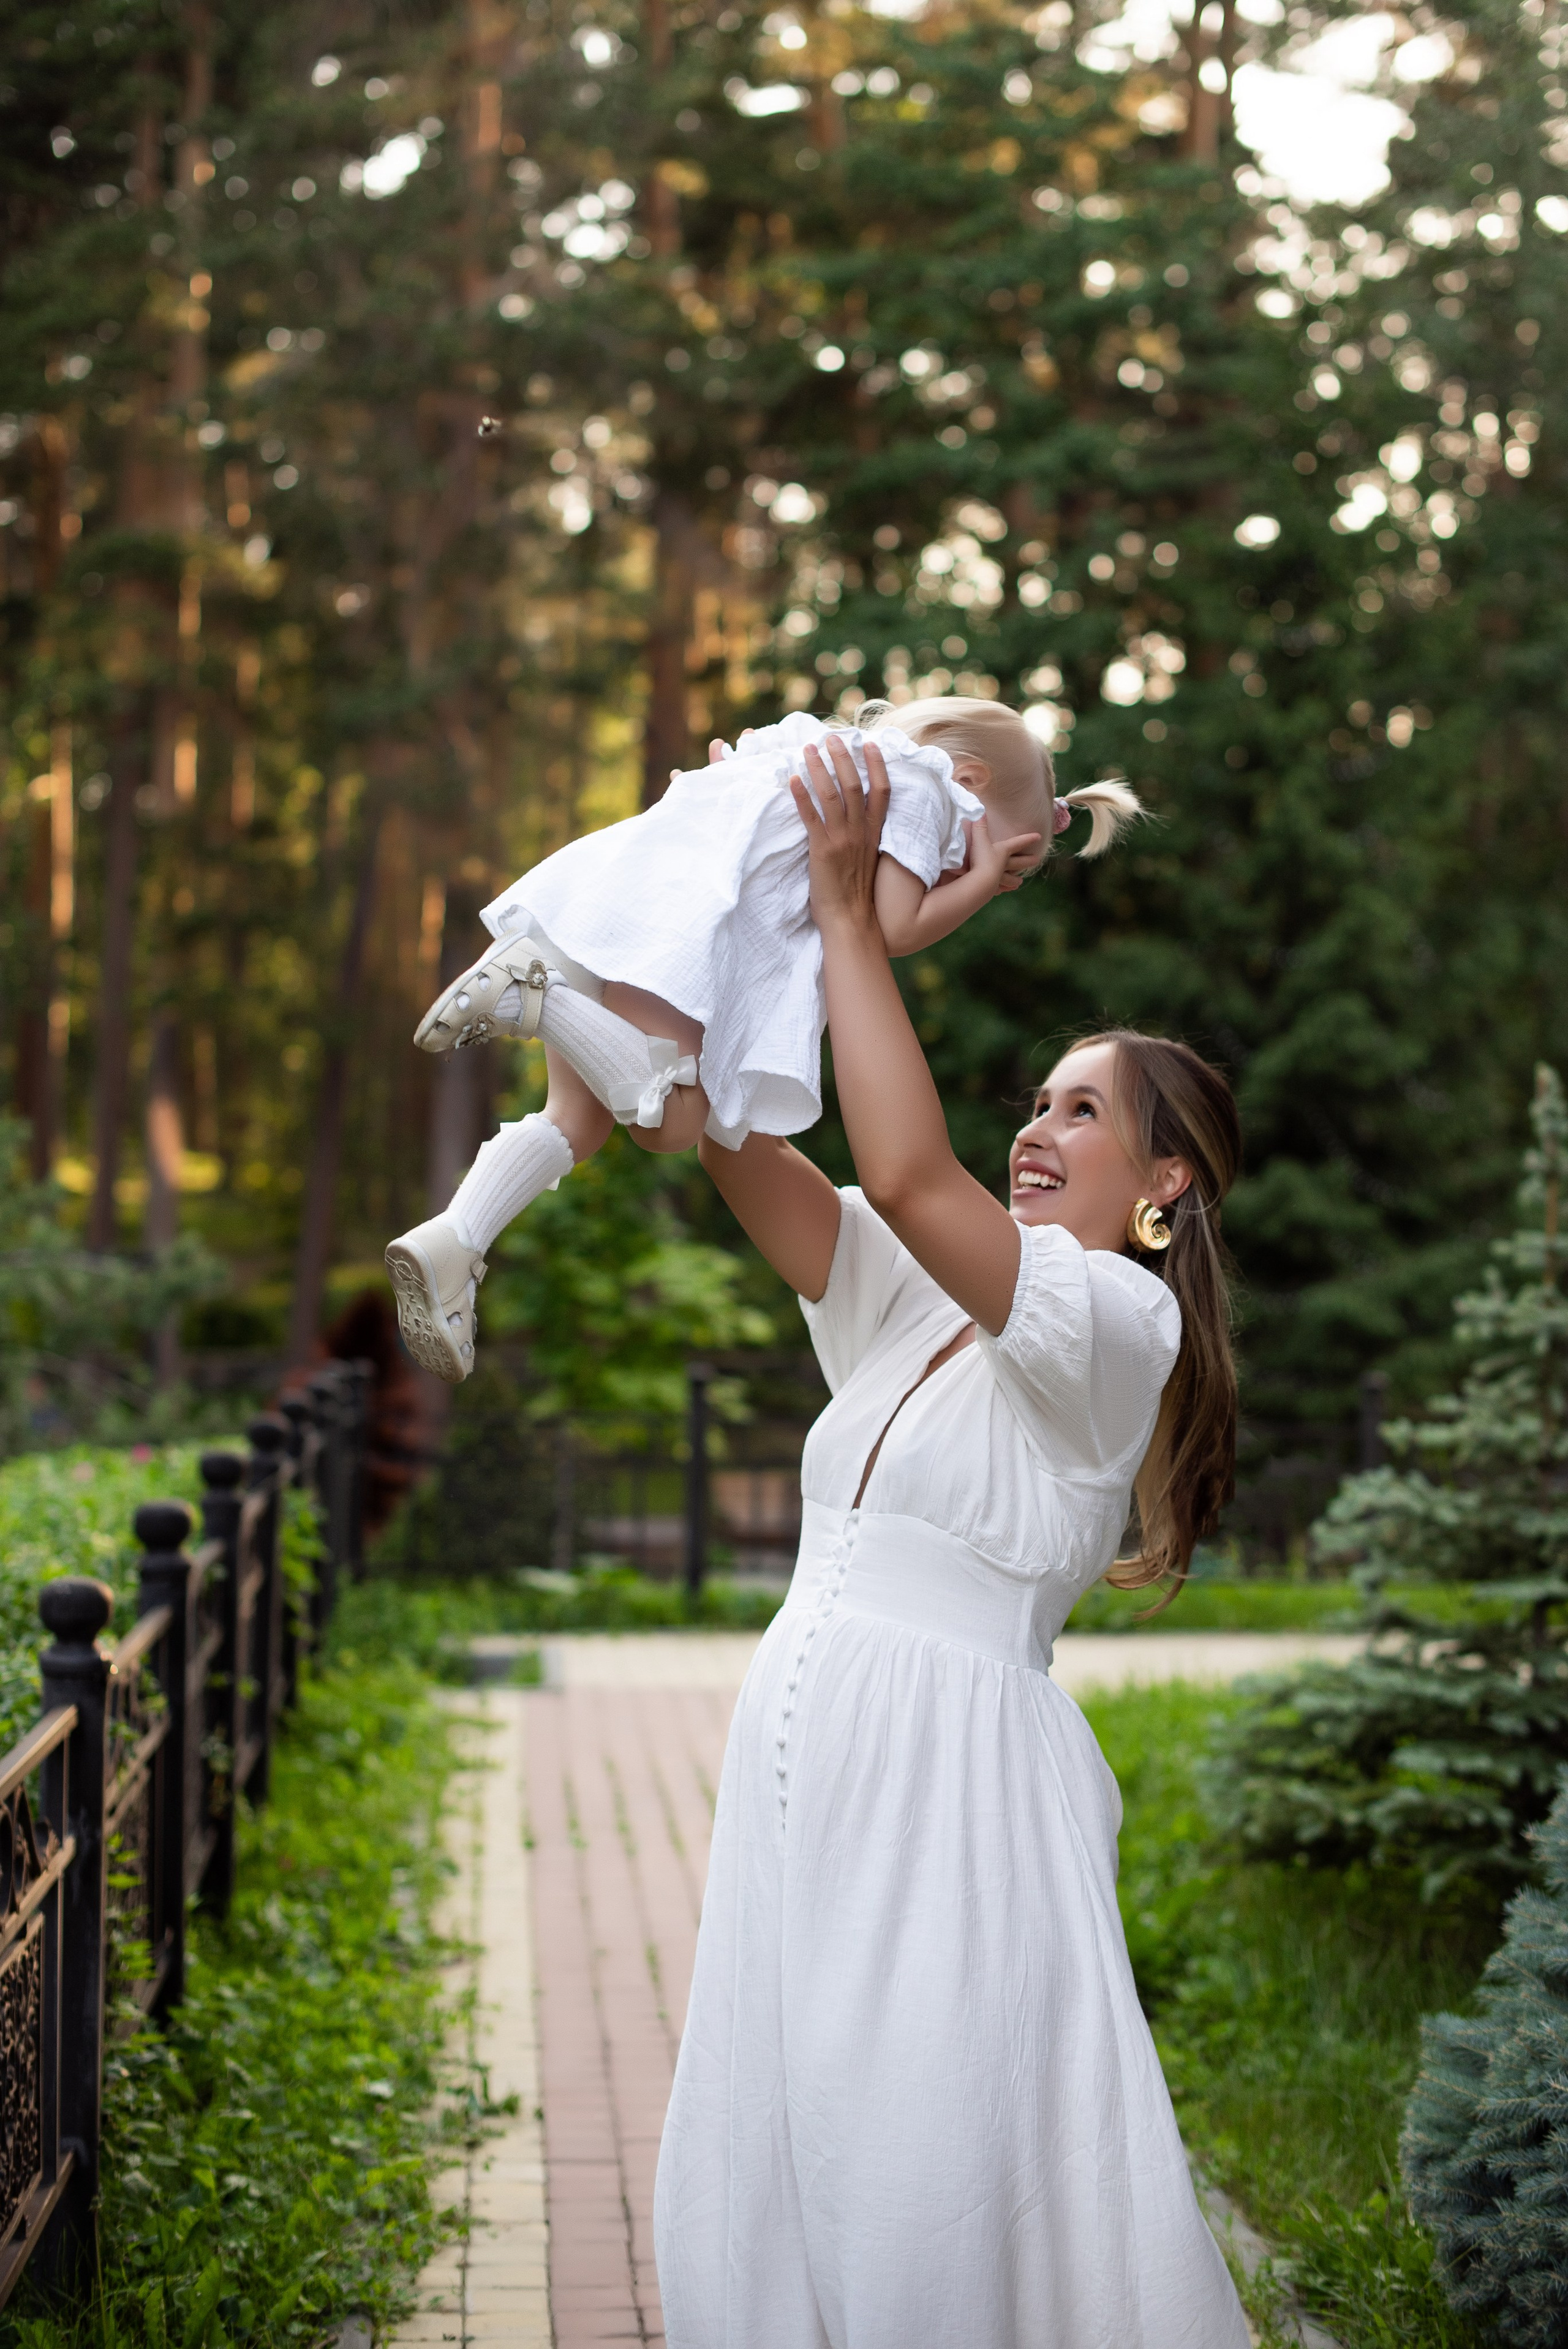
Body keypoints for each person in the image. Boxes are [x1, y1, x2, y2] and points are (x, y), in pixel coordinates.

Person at [653, 734, 1251, 2347]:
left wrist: (861, 919)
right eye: (1035, 1100)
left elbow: (910, 1171)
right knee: (795, 2127)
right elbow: (719, 1125)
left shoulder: (1117, 1320)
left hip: (951, 1787)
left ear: (1163, 1184)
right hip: (808, 1762)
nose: (1036, 1127)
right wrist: (805, 905)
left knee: (916, 2153)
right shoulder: (918, 1297)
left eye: (1084, 1110)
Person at [385, 698, 1140, 1383]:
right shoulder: (921, 789)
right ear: (969, 780)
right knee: (670, 1122)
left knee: (574, 1119)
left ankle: (456, 1239)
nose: (959, 867)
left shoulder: (825, 753)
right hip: (681, 926)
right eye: (982, 851)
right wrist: (978, 883)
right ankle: (534, 998)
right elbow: (890, 925)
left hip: (621, 887)